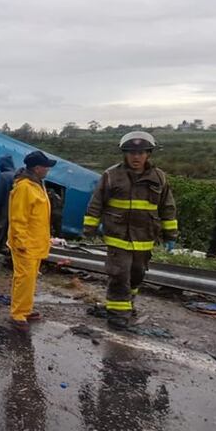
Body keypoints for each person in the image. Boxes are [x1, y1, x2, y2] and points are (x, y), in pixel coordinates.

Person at [83, 131, 178, 329]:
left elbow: (167, 207)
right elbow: (96, 202)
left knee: (137, 274)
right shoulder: (111, 175)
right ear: (125, 154)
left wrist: (170, 234)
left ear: (148, 154)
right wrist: (90, 228)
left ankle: (128, 303)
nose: (136, 157)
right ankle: (117, 313)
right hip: (118, 236)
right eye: (132, 153)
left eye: (141, 153)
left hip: (144, 237)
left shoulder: (159, 177)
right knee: (119, 274)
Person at [7, 150, 56, 332]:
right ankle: (18, 314)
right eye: (46, 166)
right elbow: (18, 218)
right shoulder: (24, 187)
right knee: (24, 278)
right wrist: (21, 242)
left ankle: (24, 309)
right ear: (37, 168)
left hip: (35, 243)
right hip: (26, 244)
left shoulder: (36, 185)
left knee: (29, 279)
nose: (48, 169)